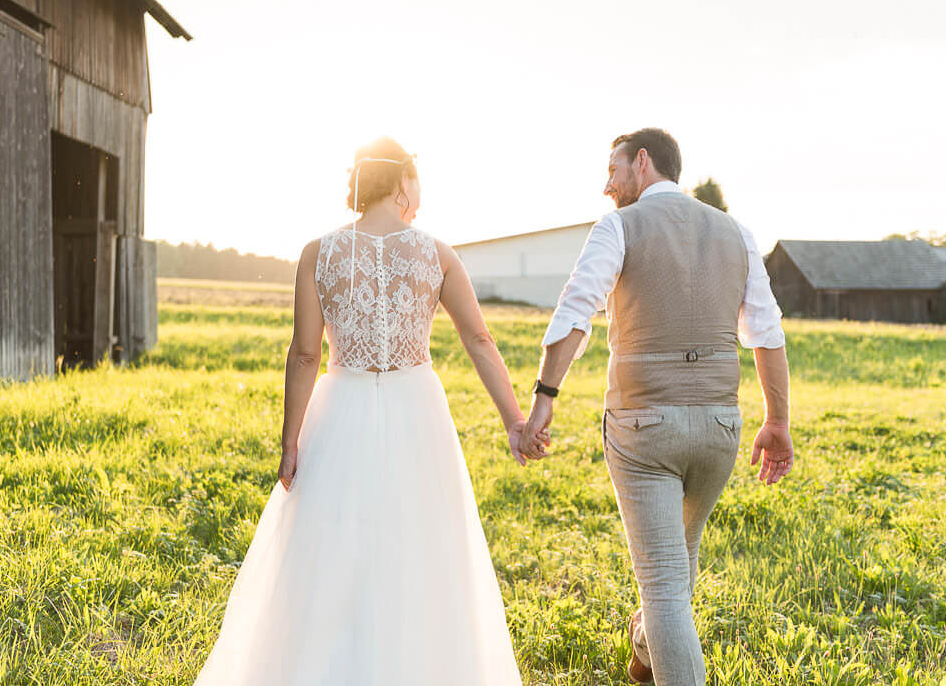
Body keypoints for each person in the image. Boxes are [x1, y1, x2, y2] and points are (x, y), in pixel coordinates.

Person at [192, 136, 540, 685]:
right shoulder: (436, 253)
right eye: (418, 179)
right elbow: (479, 338)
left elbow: (305, 354)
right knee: (422, 544)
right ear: (402, 181)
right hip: (416, 409)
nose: (421, 192)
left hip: (340, 408)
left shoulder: (318, 253)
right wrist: (514, 421)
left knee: (330, 548)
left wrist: (291, 442)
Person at [518, 128, 794, 685]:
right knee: (679, 562)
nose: (607, 184)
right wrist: (778, 422)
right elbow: (767, 333)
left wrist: (544, 398)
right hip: (720, 427)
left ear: (642, 161)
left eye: (613, 169)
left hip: (643, 426)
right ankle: (645, 646)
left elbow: (575, 311)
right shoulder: (736, 233)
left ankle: (653, 638)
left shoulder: (619, 226)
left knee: (665, 585)